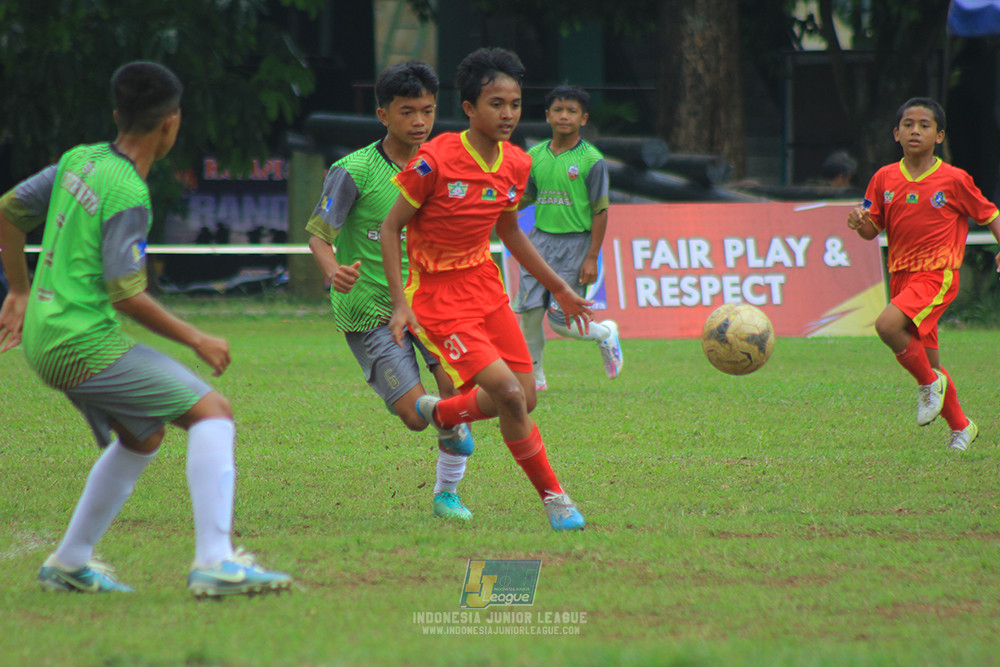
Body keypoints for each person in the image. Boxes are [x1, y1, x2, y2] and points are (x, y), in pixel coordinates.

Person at [0, 61, 291, 596]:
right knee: (213, 413)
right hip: (80, 341)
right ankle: (215, 561)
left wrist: (18, 290)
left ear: (118, 114)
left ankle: (68, 562)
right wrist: (197, 338)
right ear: (171, 123)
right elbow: (126, 292)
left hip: (45, 336)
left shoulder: (78, 160)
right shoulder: (129, 192)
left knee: (144, 435)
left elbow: (10, 210)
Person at [381, 47, 591, 531]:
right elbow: (391, 228)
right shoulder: (435, 161)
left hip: (486, 288)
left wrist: (559, 287)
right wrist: (400, 304)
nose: (508, 114)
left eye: (515, 104)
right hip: (437, 296)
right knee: (510, 397)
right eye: (496, 104)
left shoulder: (517, 164)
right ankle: (556, 499)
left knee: (524, 397)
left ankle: (443, 412)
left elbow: (511, 232)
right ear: (470, 108)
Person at [305, 61, 475, 520]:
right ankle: (447, 422)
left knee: (455, 391)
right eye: (406, 112)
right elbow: (319, 234)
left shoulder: (442, 164)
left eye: (427, 111)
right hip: (370, 309)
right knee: (418, 417)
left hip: (431, 302)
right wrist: (334, 270)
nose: (419, 122)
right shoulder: (352, 170)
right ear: (383, 115)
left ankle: (447, 494)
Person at [846, 96, 1000, 451]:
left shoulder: (954, 179)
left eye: (925, 125)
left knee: (887, 326)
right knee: (928, 359)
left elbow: (988, 213)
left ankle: (929, 386)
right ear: (896, 134)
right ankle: (962, 427)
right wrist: (858, 222)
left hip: (937, 273)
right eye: (908, 125)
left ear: (940, 135)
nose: (915, 130)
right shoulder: (883, 177)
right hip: (901, 275)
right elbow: (872, 229)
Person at [512, 84, 621, 390]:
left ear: (583, 119)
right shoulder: (534, 155)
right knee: (531, 314)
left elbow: (600, 210)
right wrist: (495, 206)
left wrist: (591, 256)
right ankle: (536, 379)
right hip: (538, 243)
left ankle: (604, 334)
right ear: (547, 116)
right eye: (558, 110)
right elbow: (528, 196)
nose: (564, 116)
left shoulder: (591, 160)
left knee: (563, 323)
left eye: (572, 111)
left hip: (576, 246)